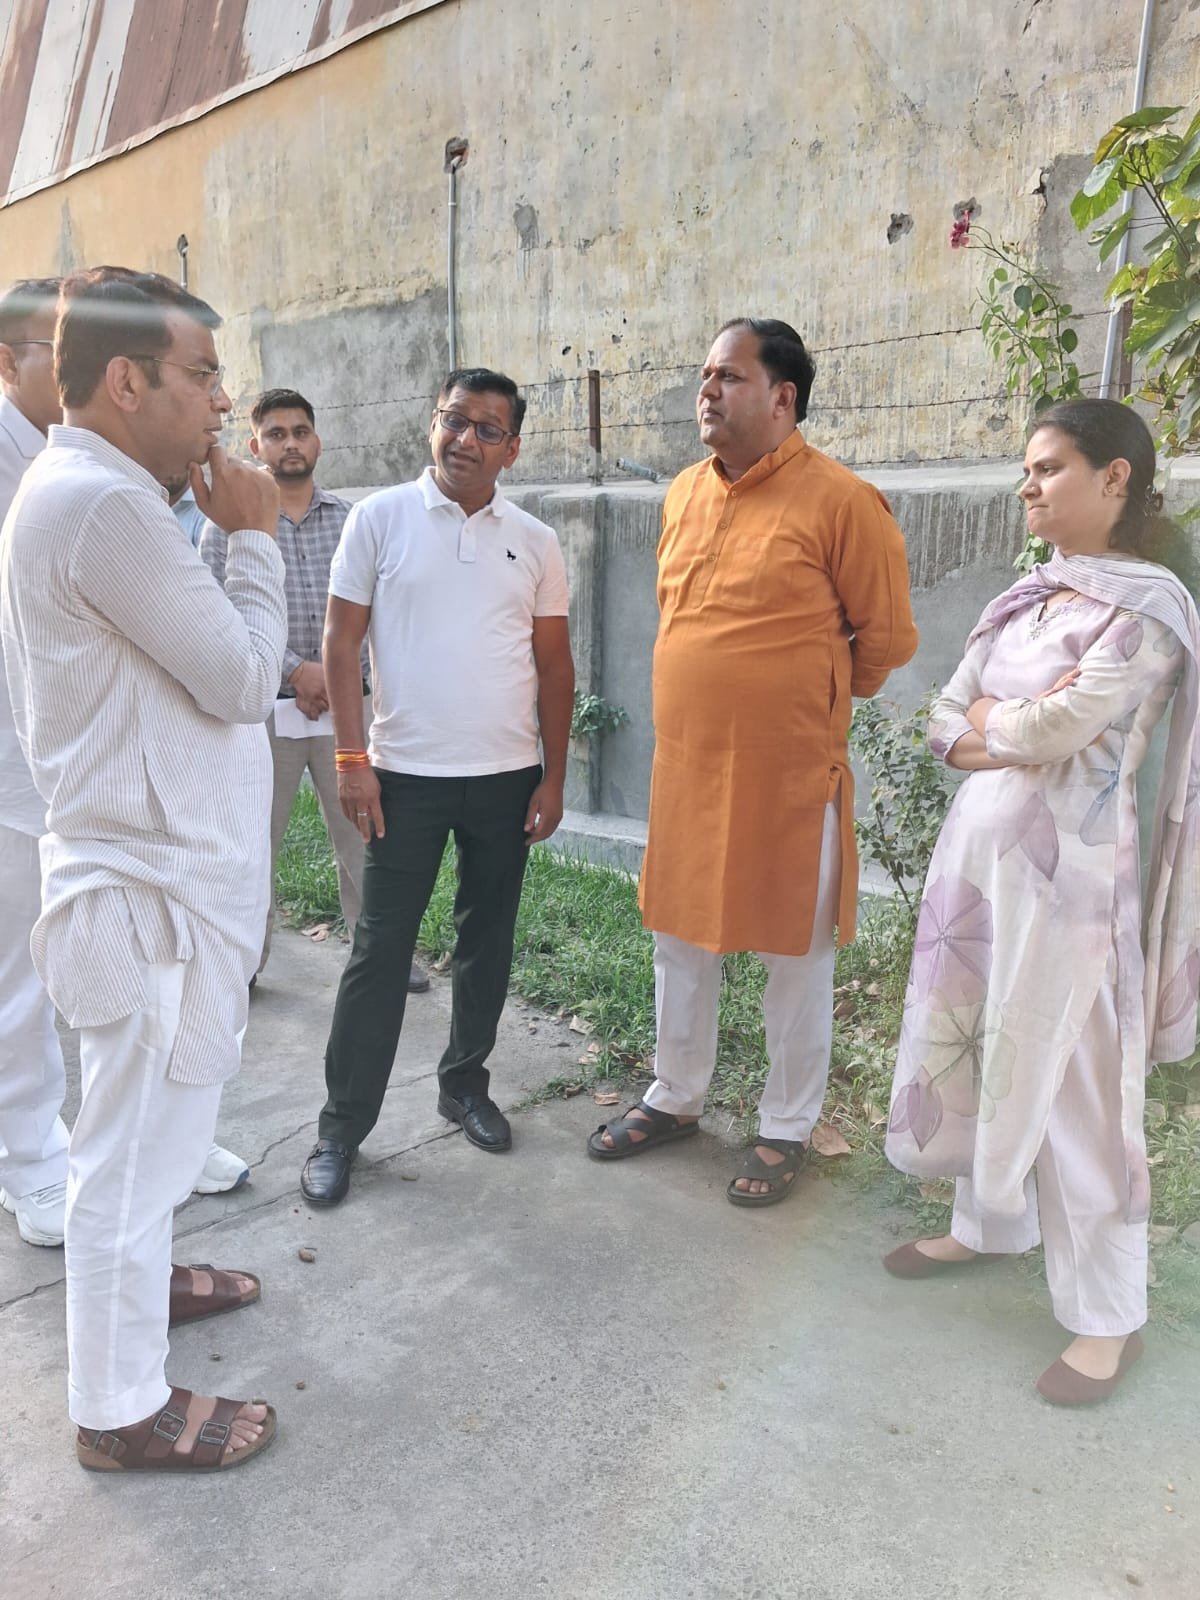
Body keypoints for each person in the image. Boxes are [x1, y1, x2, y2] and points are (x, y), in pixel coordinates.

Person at [0, 266, 287, 1470]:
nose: (223, 402)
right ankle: (120, 1409)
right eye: (203, 374)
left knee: (155, 1135)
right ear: (126, 381)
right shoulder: (104, 507)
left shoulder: (98, 491)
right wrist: (256, 538)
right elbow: (241, 677)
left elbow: (183, 666)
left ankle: (143, 1275)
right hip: (148, 892)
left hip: (155, 881)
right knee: (127, 1151)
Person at [883, 398, 1200, 1406]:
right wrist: (990, 724)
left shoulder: (1146, 610)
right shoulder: (1028, 598)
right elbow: (943, 714)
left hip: (1073, 889)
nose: (1027, 484)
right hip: (979, 874)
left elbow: (1060, 728)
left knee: (1076, 1085)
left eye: (1049, 466)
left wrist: (990, 721)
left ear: (1115, 478)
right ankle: (989, 1225)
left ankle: (1109, 1318)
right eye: (1025, 467)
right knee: (981, 1046)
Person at [589, 318, 918, 1205]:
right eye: (706, 375)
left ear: (783, 396)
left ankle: (786, 1127)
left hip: (789, 779)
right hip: (687, 768)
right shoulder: (683, 493)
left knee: (794, 957)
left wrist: (803, 701)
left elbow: (885, 643)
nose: (708, 390)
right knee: (679, 941)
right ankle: (675, 1096)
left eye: (729, 376)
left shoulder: (842, 501)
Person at [299, 367, 574, 1205]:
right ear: (433, 424)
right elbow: (341, 644)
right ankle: (341, 1129)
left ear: (512, 449)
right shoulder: (379, 519)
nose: (467, 440)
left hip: (504, 779)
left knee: (487, 940)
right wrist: (352, 761)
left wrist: (554, 777)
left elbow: (554, 665)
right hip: (403, 780)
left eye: (488, 429)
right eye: (455, 420)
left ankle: (464, 1086)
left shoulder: (535, 540)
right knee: (380, 951)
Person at [201, 388, 427, 993]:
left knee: (365, 832)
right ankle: (245, 963)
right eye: (276, 434)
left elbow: (380, 610)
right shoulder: (227, 526)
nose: (291, 444)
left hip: (346, 709)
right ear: (256, 446)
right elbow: (217, 613)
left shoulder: (354, 521)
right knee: (255, 842)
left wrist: (337, 673)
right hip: (263, 711)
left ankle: (382, 954)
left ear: (318, 441)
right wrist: (295, 669)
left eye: (300, 431)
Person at [0, 277, 70, 1248]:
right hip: (13, 759)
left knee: (98, 952)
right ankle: (29, 1163)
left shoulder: (72, 451)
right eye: (61, 347)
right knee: (20, 970)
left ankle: (121, 1137)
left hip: (78, 755)